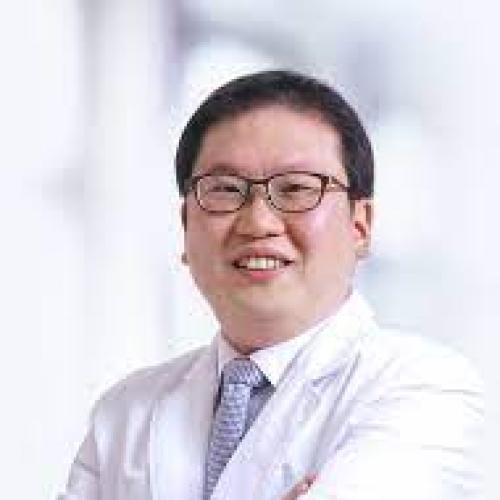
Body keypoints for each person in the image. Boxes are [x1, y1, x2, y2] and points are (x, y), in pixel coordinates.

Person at [59, 70, 484, 500]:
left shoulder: (426, 389)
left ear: (361, 225)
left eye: (296, 188)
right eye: (226, 190)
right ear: (186, 226)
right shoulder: (125, 412)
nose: (258, 222)